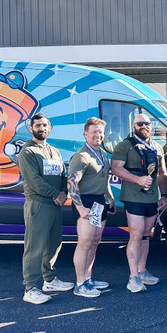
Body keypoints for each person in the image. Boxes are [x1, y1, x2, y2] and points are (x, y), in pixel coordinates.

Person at [17, 113, 74, 304]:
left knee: (54, 243)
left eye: (45, 125)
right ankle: (30, 288)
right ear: (31, 128)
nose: (42, 128)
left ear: (50, 127)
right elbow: (33, 181)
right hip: (39, 204)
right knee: (35, 247)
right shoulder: (28, 152)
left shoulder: (54, 151)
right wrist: (55, 194)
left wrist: (64, 191)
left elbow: (63, 174)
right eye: (38, 125)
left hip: (55, 204)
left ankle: (49, 280)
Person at [111, 114, 167, 293]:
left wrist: (164, 195)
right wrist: (138, 180)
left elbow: (161, 173)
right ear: (133, 126)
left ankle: (142, 271)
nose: (144, 126)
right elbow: (116, 168)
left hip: (152, 197)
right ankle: (133, 277)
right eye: (139, 123)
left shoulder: (157, 147)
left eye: (147, 123)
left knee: (145, 235)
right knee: (135, 235)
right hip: (133, 197)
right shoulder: (124, 145)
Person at [67, 117, 116, 298]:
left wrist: (110, 199)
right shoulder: (81, 156)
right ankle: (80, 284)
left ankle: (88, 277)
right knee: (85, 243)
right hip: (85, 203)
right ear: (85, 134)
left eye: (100, 132)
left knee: (94, 242)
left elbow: (104, 179)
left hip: (99, 203)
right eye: (94, 132)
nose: (98, 135)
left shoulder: (102, 154)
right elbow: (72, 185)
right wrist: (80, 209)